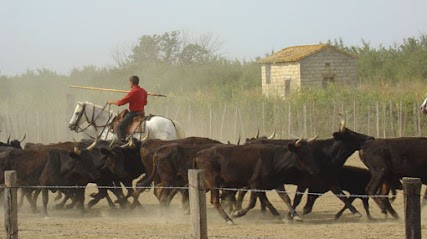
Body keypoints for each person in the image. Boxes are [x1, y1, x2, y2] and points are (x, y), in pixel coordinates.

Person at [108, 75, 148, 141]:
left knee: (120, 127)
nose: (129, 84)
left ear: (131, 83)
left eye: (129, 82)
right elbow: (145, 103)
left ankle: (122, 142)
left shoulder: (133, 92)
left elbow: (120, 103)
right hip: (141, 113)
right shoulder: (144, 91)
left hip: (133, 114)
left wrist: (111, 101)